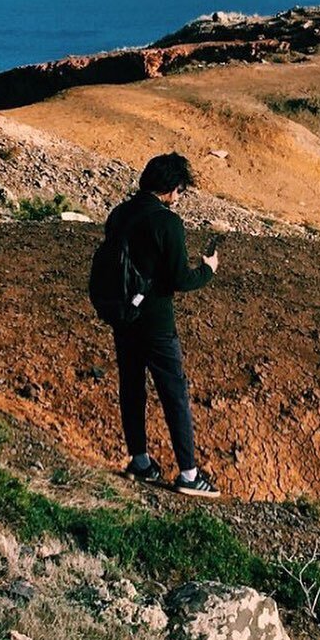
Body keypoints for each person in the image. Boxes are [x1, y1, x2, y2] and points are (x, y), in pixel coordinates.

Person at [106, 152, 220, 497]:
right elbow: (180, 279)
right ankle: (188, 474)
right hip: (156, 322)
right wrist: (209, 269)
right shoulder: (167, 222)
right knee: (174, 394)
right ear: (171, 188)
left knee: (132, 388)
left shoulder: (119, 214)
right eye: (180, 190)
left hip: (123, 316)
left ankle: (140, 461)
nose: (179, 196)